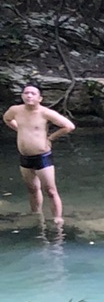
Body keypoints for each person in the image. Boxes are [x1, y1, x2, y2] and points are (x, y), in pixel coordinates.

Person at [5, 85, 74, 224]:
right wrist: (19, 129)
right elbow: (6, 118)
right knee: (32, 189)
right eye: (26, 93)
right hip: (24, 156)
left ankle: (57, 217)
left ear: (39, 98)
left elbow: (69, 126)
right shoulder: (15, 110)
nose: (29, 95)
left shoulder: (45, 113)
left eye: (33, 93)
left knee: (50, 190)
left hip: (42, 156)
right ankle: (35, 214)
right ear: (22, 96)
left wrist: (51, 138)